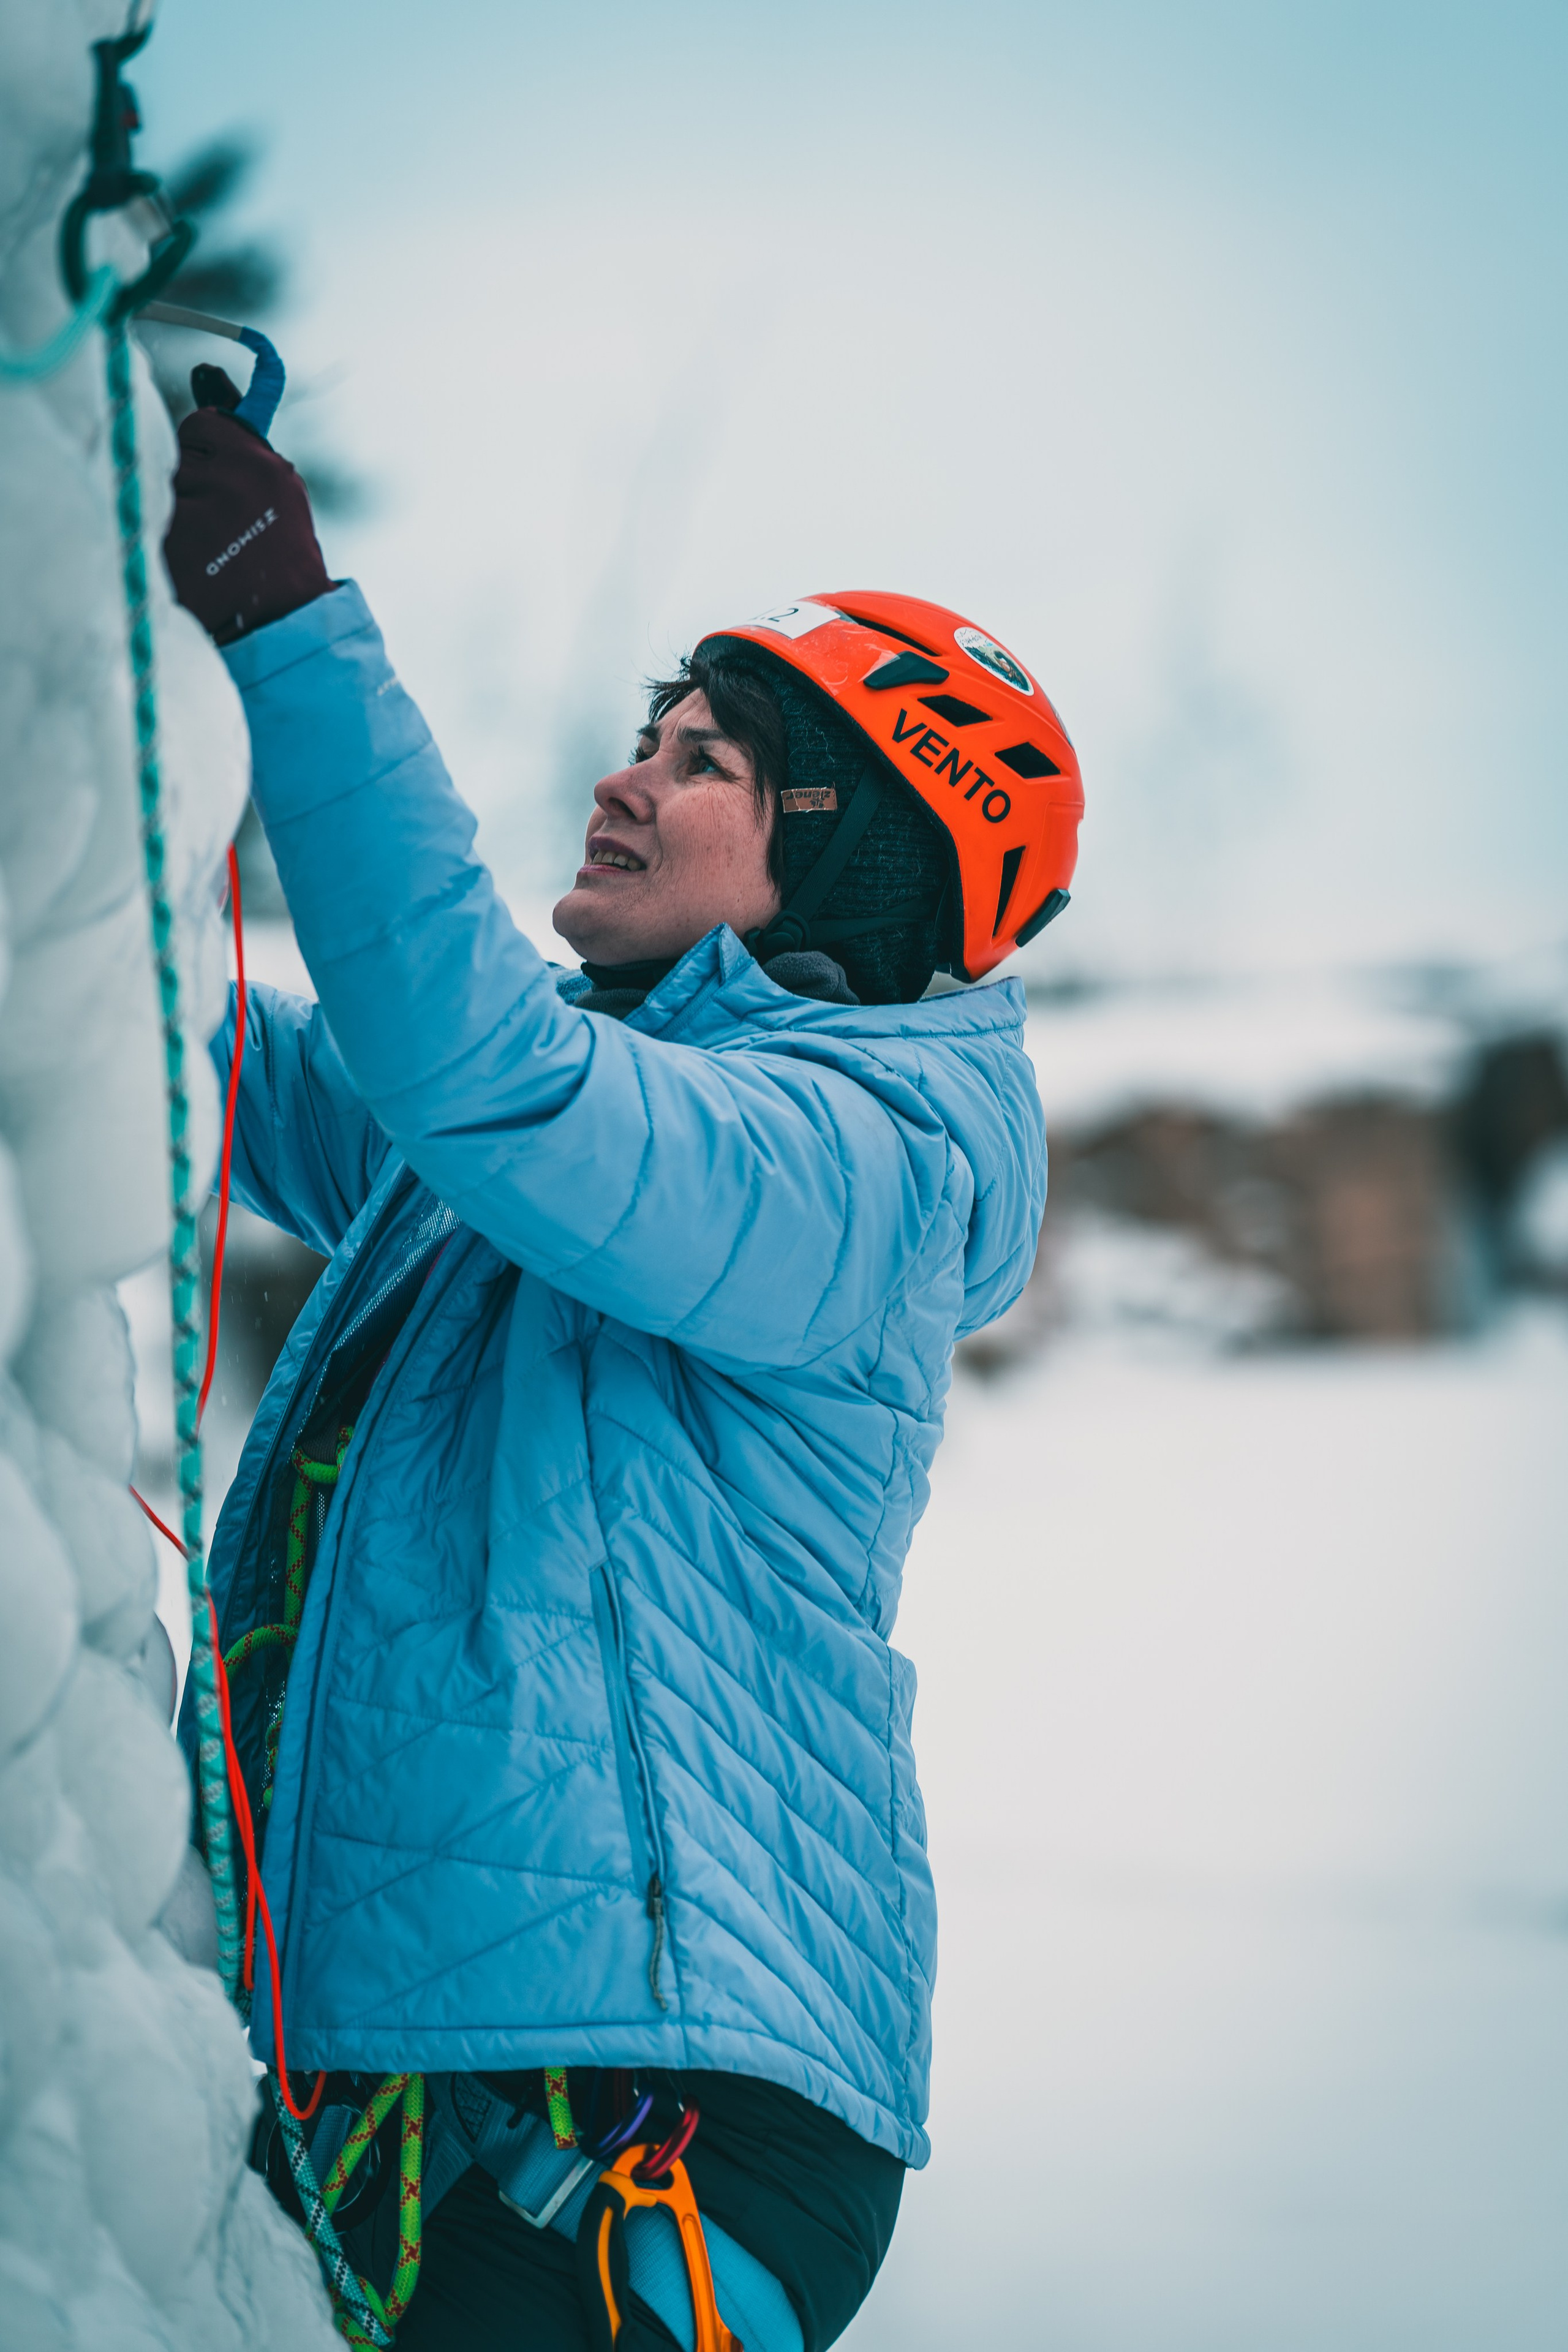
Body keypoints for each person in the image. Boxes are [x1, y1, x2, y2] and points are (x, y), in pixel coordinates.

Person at [164, 371, 1082, 2352]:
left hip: (650, 2121)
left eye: (704, 762)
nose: (622, 781)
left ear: (852, 854)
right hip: (439, 2060)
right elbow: (197, 1060)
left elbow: (469, 1064)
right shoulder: (582, 1129)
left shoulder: (865, 1170)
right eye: (643, 738)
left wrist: (289, 628)